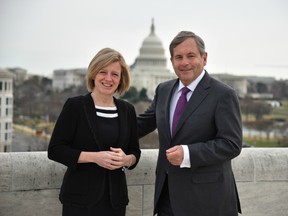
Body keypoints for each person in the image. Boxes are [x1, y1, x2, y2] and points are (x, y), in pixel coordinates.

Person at [137, 31, 242, 216]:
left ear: (204, 57)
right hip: (167, 199)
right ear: (171, 61)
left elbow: (231, 144)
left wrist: (187, 153)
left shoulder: (223, 94)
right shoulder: (164, 90)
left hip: (207, 201)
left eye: (191, 55)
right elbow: (142, 124)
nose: (184, 62)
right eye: (178, 57)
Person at [48, 47, 141, 216]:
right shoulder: (75, 106)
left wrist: (126, 159)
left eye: (115, 74)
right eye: (102, 72)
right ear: (93, 74)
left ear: (121, 79)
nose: (108, 78)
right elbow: (55, 150)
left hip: (115, 201)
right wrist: (95, 157)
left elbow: (135, 151)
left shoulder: (127, 110)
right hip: (79, 201)